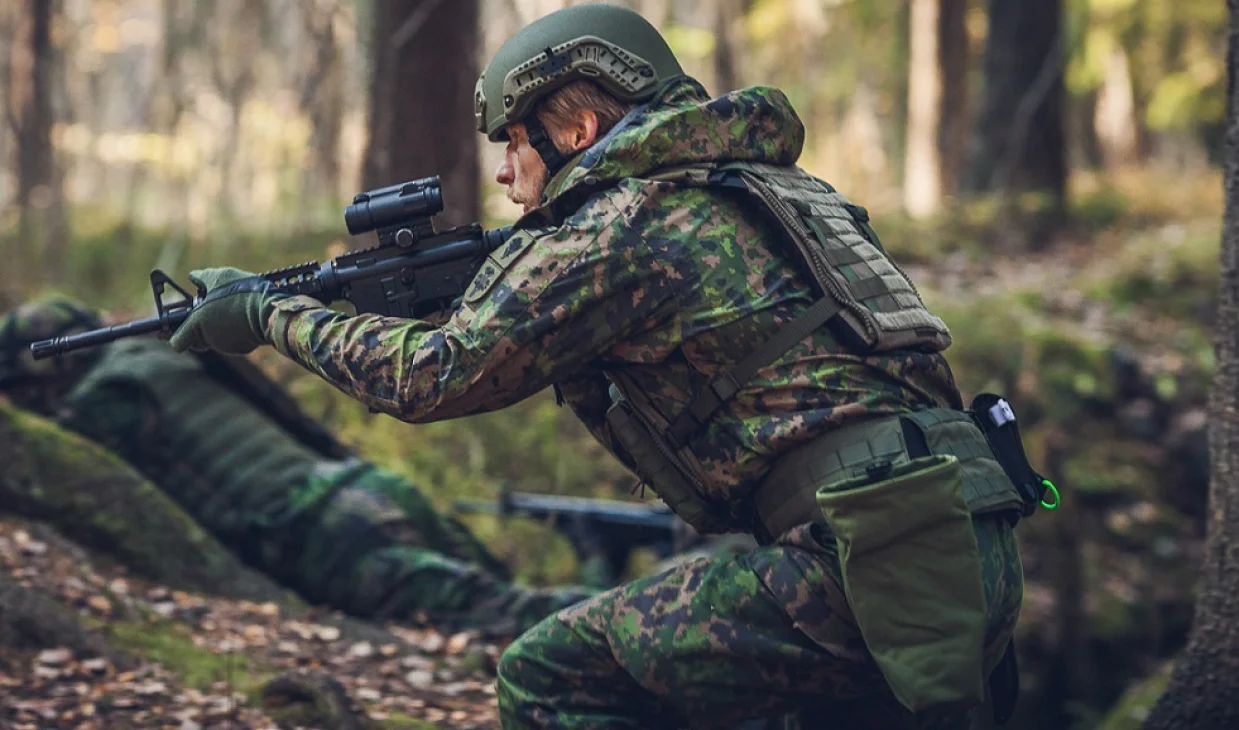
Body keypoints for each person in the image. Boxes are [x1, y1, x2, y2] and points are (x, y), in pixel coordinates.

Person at [160, 4, 1032, 728]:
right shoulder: (759, 190)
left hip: (865, 563)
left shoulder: (619, 224)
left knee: (551, 675)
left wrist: (269, 312)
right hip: (957, 532)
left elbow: (428, 377)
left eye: (514, 142)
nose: (503, 172)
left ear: (576, 125)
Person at [0, 295, 595, 636]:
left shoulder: (100, 405)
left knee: (511, 619)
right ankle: (623, 589)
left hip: (324, 534)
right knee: (516, 599)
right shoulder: (155, 356)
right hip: (372, 487)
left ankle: (659, 612)